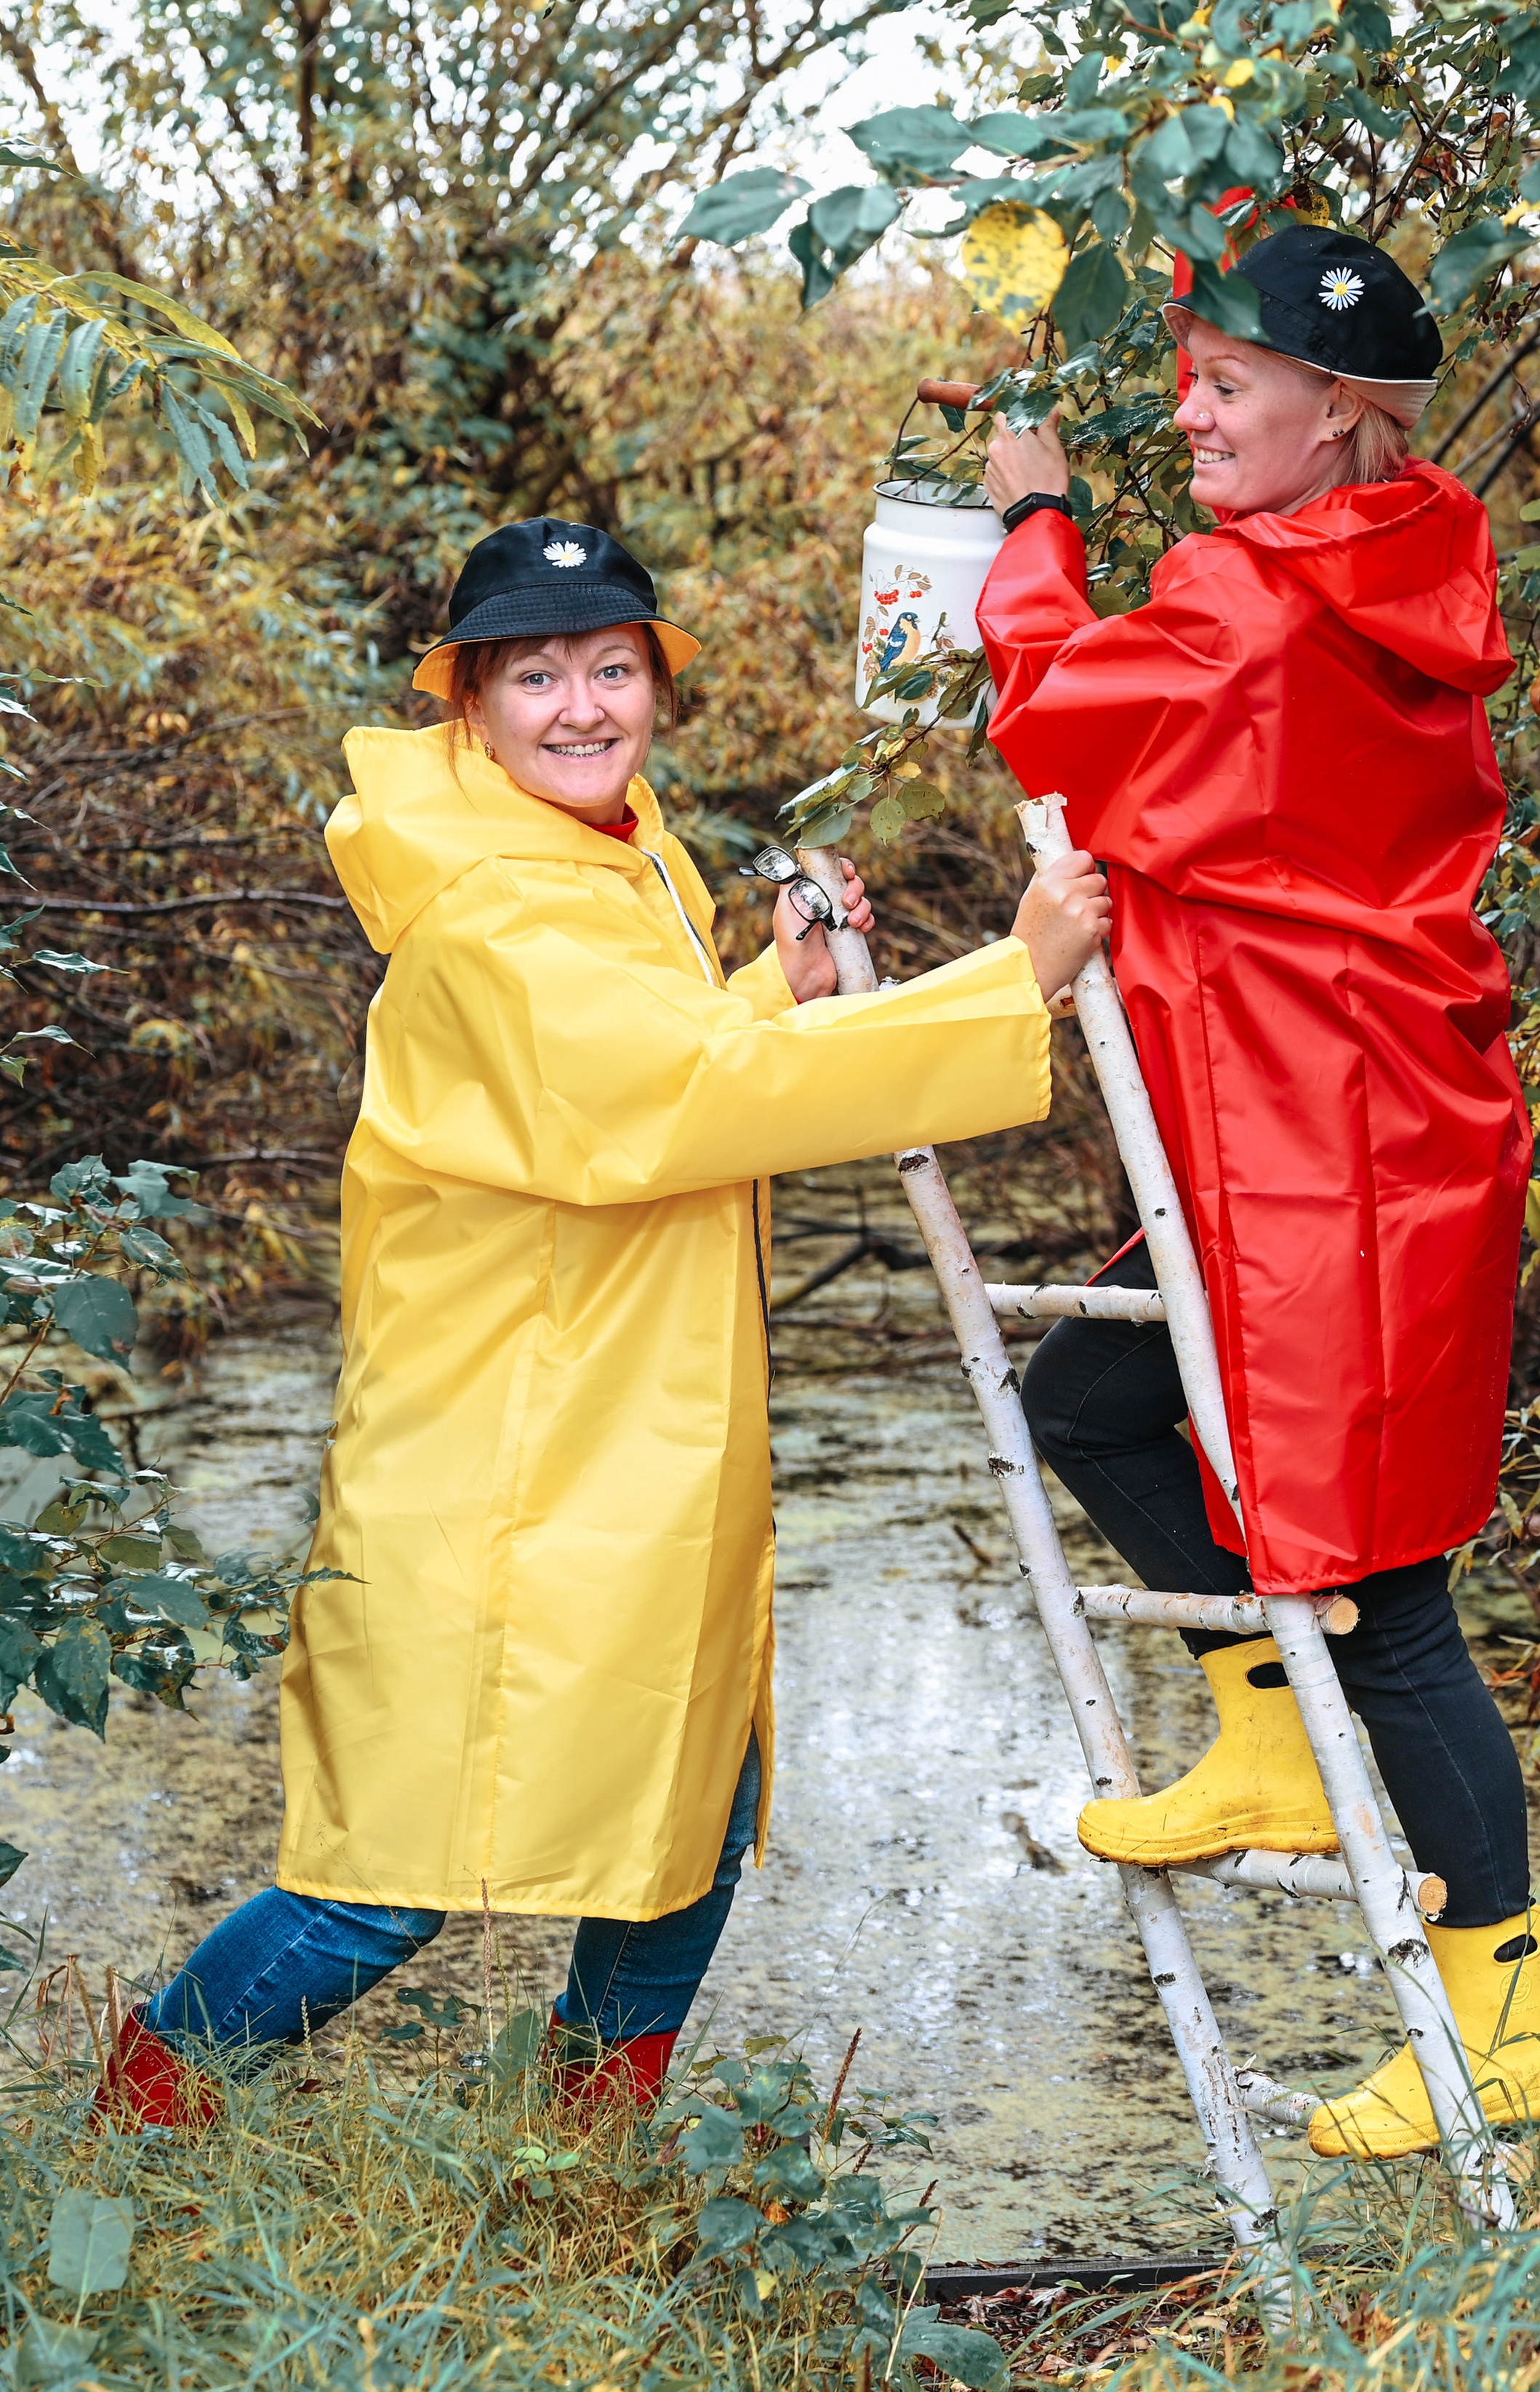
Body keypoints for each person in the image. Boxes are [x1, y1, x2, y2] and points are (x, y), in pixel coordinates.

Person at [94, 514, 1111, 2131]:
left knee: (696, 1800)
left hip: (622, 1430)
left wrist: (771, 985)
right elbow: (684, 1099)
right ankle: (133, 2125)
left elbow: (644, 1067)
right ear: (468, 706)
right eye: (537, 675)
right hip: (509, 1447)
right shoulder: (495, 907)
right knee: (389, 1872)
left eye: (611, 667)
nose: (582, 705)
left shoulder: (604, 848)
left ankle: (584, 2151)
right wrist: (1012, 979)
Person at [974, 225, 1540, 2162]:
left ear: (1347, 418)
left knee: (1390, 1597)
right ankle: (1258, 1737)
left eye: (1232, 386)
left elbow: (1053, 714)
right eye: (1198, 374)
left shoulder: (1250, 595)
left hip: (1335, 1137)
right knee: (1086, 1397)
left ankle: (1507, 2016)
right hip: (1329, 1119)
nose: (1196, 409)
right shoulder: (1383, 568)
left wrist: (1034, 523)